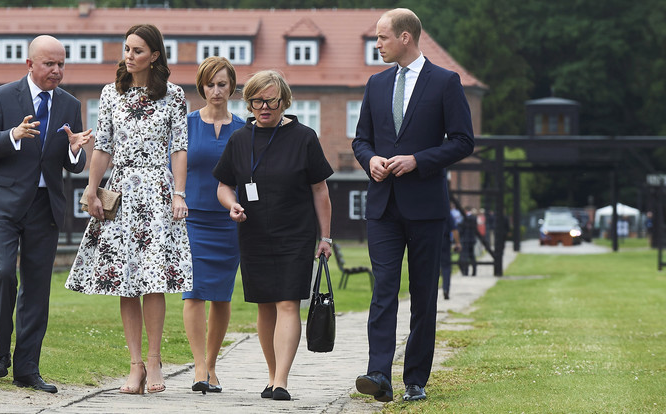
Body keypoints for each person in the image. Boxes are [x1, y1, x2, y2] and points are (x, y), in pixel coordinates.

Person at [351, 8, 474, 403]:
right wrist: (369, 159)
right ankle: (378, 374)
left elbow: (462, 141)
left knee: (423, 294)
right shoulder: (376, 84)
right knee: (383, 289)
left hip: (426, 205)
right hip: (383, 207)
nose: (377, 44)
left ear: (406, 37)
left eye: (382, 37)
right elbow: (361, 140)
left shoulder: (445, 82)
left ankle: (415, 380)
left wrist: (418, 160)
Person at [66, 24, 192, 396]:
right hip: (120, 191)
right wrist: (91, 190)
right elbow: (102, 147)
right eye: (127, 49)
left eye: (138, 50)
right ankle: (134, 365)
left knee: (153, 279)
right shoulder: (111, 93)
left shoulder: (174, 95)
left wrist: (179, 194)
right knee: (125, 280)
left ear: (155, 55)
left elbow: (179, 148)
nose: (129, 55)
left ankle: (155, 361)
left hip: (156, 190)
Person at [0, 35, 92, 393]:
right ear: (30, 65)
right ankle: (0, 356)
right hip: (4, 205)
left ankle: (27, 369)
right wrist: (13, 134)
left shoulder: (70, 104)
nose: (56, 70)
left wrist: (75, 151)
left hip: (45, 208)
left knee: (38, 290)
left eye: (60, 64)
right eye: (48, 64)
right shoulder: (1, 97)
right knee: (5, 274)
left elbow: (74, 164)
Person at [213, 70, 333, 401]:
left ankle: (281, 380)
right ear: (248, 102)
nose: (264, 107)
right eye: (256, 101)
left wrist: (326, 238)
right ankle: (270, 374)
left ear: (284, 100)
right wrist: (231, 204)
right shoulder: (239, 139)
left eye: (271, 101)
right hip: (253, 233)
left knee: (287, 303)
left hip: (296, 233)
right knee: (265, 306)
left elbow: (320, 189)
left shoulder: (304, 137)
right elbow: (224, 185)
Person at [179, 56, 245, 394]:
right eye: (210, 84)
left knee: (221, 295)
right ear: (201, 87)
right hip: (191, 219)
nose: (216, 91)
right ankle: (199, 366)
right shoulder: (186, 123)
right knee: (193, 293)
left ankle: (213, 365)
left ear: (232, 86)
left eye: (222, 84)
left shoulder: (244, 129)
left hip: (230, 222)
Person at [440, 206, 461, 300]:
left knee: (431, 267)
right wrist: (457, 243)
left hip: (432, 240)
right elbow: (454, 229)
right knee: (446, 267)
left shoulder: (430, 209)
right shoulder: (447, 213)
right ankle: (446, 289)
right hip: (444, 240)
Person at [459, 208, 478, 276]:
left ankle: (465, 271)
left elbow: (461, 230)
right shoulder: (474, 218)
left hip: (465, 240)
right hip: (472, 240)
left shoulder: (465, 218)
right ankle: (474, 271)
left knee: (465, 256)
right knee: (472, 256)